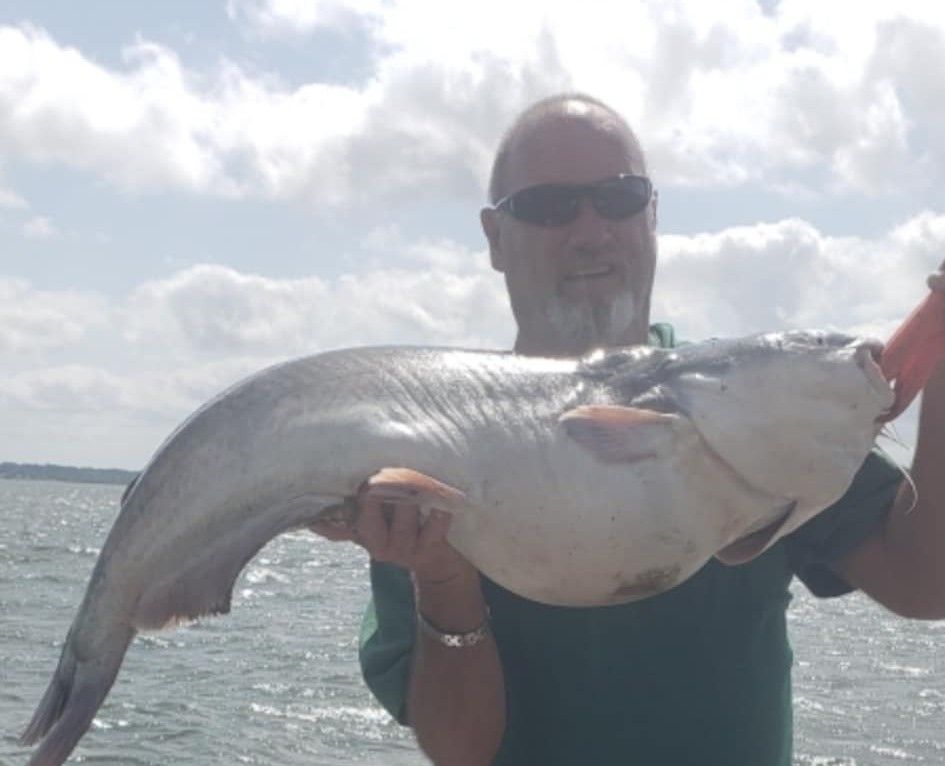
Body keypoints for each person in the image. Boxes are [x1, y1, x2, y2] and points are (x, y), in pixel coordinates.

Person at [311, 93, 945, 765]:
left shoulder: (756, 402)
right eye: (549, 207)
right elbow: (462, 751)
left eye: (618, 198)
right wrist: (442, 575)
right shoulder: (434, 447)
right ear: (495, 238)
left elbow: (924, 581)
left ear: (651, 215)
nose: (590, 230)